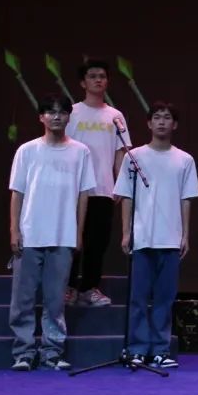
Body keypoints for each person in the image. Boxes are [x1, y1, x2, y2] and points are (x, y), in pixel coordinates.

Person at [8, 94, 96, 370]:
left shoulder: (80, 152)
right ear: (41, 117)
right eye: (50, 112)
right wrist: (14, 229)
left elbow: (83, 195)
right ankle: (23, 352)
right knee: (22, 299)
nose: (56, 116)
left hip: (63, 234)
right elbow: (17, 193)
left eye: (62, 112)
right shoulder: (27, 150)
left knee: (55, 299)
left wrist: (78, 232)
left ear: (69, 117)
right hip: (30, 233)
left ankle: (52, 351)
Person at [116, 101, 198, 369]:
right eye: (157, 117)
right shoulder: (134, 157)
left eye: (167, 118)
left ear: (175, 125)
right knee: (138, 298)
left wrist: (185, 234)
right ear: (149, 123)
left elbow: (186, 199)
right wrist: (126, 232)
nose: (161, 122)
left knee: (165, 298)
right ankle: (138, 349)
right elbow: (126, 196)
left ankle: (161, 350)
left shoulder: (184, 160)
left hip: (170, 238)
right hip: (141, 238)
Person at [66, 59, 131, 307]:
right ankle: (68, 288)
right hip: (74, 189)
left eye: (102, 76)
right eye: (92, 76)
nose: (98, 80)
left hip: (103, 189)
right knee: (72, 240)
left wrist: (119, 185)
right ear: (83, 83)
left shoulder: (115, 116)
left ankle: (89, 288)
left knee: (97, 242)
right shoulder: (71, 112)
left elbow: (120, 153)